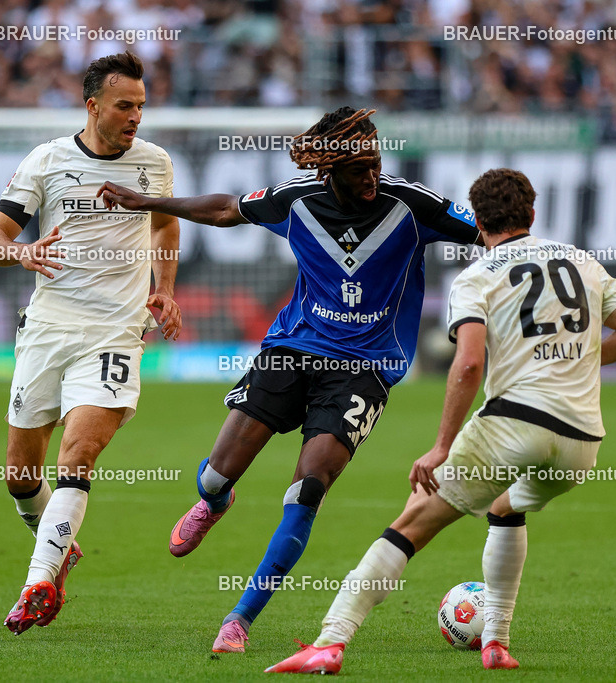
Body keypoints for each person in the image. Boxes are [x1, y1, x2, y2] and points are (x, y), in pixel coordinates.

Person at [98, 106, 481, 652]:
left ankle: (241, 617)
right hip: (292, 351)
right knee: (216, 475)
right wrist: (147, 201)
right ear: (329, 172)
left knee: (308, 486)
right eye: (357, 171)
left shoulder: (412, 205)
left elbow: (491, 233)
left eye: (374, 164)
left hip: (363, 369)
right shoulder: (295, 200)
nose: (371, 177)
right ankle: (215, 500)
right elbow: (228, 209)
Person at [266, 168, 616, 674]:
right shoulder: (582, 261)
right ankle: (495, 642)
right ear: (532, 215)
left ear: (477, 220)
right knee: (505, 506)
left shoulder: (477, 276)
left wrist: (441, 445)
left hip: (513, 425)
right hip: (581, 441)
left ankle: (330, 641)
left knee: (410, 525)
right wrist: (574, 361)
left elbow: (469, 363)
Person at [0, 51, 181, 634]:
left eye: (141, 106)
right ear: (93, 106)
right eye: (125, 105)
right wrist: (23, 252)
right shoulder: (47, 160)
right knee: (20, 475)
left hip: (115, 333)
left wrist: (162, 287)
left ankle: (39, 581)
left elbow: (165, 224)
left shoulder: (155, 163)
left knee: (79, 455)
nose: (136, 116)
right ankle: (57, 543)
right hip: (46, 329)